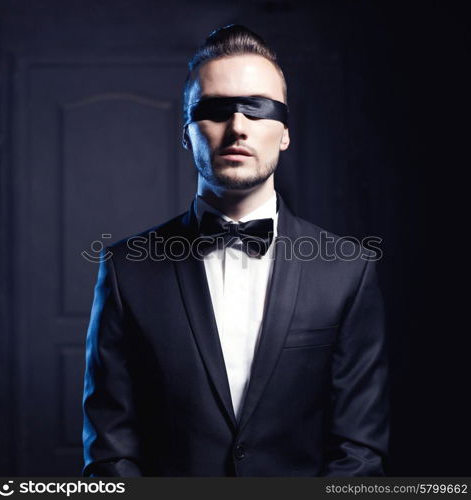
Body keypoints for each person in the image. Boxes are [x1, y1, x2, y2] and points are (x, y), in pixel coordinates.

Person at [82, 24, 389, 477]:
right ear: (186, 133)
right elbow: (111, 452)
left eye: (258, 109)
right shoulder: (127, 271)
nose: (238, 127)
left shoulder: (348, 270)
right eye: (216, 109)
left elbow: (360, 453)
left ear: (285, 132)